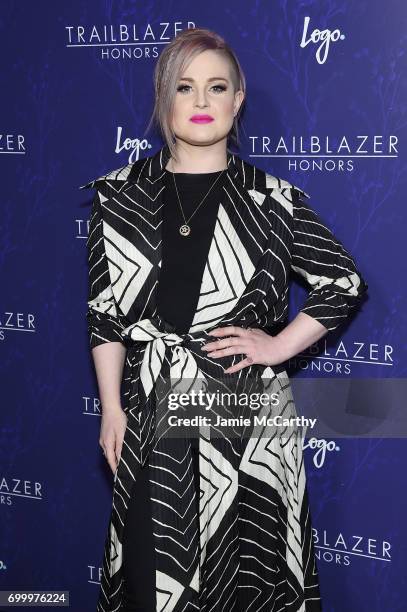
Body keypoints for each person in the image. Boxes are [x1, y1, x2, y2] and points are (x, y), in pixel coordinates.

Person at [80, 27, 368, 612]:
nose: (203, 101)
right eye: (186, 87)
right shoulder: (119, 195)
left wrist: (277, 346)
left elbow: (344, 282)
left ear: (238, 101)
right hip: (151, 414)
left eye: (217, 87)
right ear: (165, 98)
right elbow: (105, 316)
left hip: (246, 424)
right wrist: (112, 408)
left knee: (247, 584)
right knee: (147, 579)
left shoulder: (273, 199)